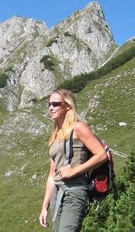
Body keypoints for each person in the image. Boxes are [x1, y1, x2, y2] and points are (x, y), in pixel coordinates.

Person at [39, 89, 107, 232]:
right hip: (57, 194)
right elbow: (52, 174)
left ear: (68, 106)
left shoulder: (78, 127)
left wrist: (73, 171)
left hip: (74, 192)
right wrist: (44, 206)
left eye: (56, 104)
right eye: (49, 104)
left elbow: (101, 155)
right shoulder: (56, 133)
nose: (51, 107)